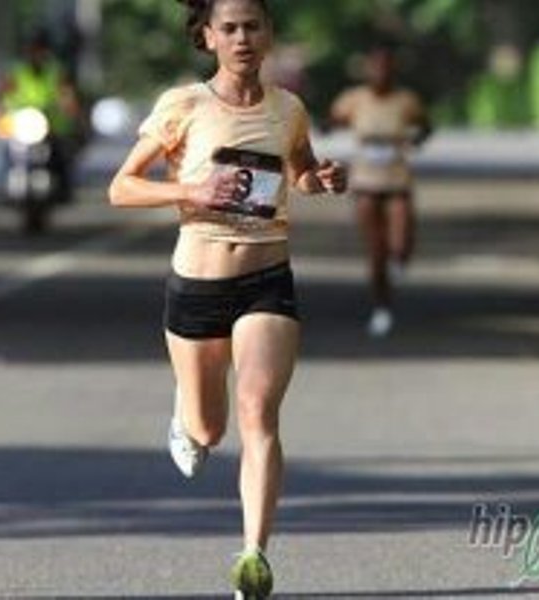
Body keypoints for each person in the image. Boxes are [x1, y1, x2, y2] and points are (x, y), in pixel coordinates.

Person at [108, 0, 346, 597]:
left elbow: (300, 171)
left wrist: (319, 181)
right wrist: (192, 188)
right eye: (230, 28)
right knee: (209, 430)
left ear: (269, 34)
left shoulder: (288, 108)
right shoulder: (183, 105)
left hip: (268, 276)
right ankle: (185, 417)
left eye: (254, 26)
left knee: (258, 412)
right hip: (198, 283)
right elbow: (121, 187)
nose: (243, 38)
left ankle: (253, 560)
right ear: (207, 35)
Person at [331, 46, 429, 338]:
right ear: (368, 71)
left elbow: (426, 126)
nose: (381, 74)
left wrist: (414, 141)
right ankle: (381, 308)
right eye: (375, 68)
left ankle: (399, 260)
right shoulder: (354, 99)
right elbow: (333, 119)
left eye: (386, 68)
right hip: (365, 183)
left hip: (397, 180)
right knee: (375, 252)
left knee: (400, 240)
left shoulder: (406, 101)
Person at [0, 29, 82, 200]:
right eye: (32, 50)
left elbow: (66, 95)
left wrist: (69, 108)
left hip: (50, 126)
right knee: (1, 150)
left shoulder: (55, 71)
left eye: (40, 50)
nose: (36, 54)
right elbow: (1, 94)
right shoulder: (16, 71)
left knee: (64, 153)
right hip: (19, 125)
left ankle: (65, 187)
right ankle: (0, 187)